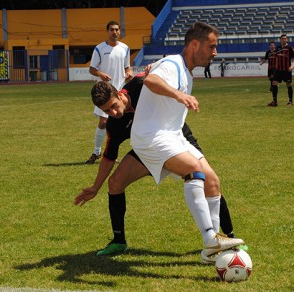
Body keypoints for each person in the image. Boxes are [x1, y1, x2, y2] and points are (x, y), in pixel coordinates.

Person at [74, 74, 246, 260]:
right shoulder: (114, 124)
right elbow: (108, 157)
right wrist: (95, 187)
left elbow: (158, 76)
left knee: (210, 181)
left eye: (114, 106)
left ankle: (230, 238)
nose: (113, 113)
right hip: (149, 150)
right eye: (107, 111)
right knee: (115, 183)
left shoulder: (140, 86)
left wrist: (152, 71)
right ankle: (118, 240)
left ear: (120, 95)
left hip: (177, 138)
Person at [130, 21, 245, 264]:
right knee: (193, 170)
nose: (215, 52)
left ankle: (213, 251)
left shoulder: (185, 71)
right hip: (151, 136)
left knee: (212, 180)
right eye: (211, 46)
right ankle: (210, 238)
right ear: (195, 44)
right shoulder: (172, 63)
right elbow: (150, 80)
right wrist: (180, 94)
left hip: (172, 135)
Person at [86, 20, 134, 164]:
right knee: (103, 122)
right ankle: (97, 151)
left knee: (118, 123)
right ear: (107, 31)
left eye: (117, 30)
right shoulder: (99, 49)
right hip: (105, 92)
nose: (115, 32)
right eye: (112, 30)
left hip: (119, 92)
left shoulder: (125, 48)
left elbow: (127, 67)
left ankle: (111, 153)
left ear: (120, 31)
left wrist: (130, 72)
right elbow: (91, 68)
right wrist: (100, 73)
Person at [268, 34, 294, 107]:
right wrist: (275, 68)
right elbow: (277, 58)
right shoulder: (278, 48)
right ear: (280, 40)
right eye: (282, 38)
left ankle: (290, 102)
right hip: (278, 70)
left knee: (288, 84)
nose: (284, 40)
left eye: (285, 38)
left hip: (287, 70)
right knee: (274, 83)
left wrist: (292, 66)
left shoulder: (289, 48)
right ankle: (275, 101)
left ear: (287, 40)